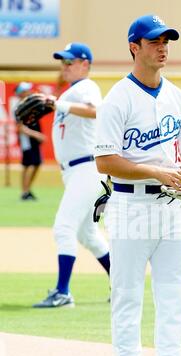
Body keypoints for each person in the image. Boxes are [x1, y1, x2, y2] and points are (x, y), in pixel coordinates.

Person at [94, 15, 181, 356]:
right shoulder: (117, 99)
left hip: (172, 208)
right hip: (130, 203)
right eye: (154, 41)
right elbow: (105, 161)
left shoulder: (179, 98)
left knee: (174, 294)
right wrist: (157, 171)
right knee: (127, 294)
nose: (163, 47)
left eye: (167, 40)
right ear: (134, 47)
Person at [33, 43, 110, 308]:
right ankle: (122, 284)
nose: (65, 67)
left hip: (86, 168)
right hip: (76, 171)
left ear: (85, 64)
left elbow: (96, 110)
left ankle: (63, 292)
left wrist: (58, 103)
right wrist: (59, 103)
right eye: (63, 63)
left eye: (70, 62)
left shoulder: (85, 87)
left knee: (63, 227)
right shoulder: (70, 93)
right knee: (87, 234)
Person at [14, 82, 45, 201]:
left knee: (36, 164)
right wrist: (36, 135)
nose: (29, 92)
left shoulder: (30, 105)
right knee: (29, 165)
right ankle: (24, 192)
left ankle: (27, 190)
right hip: (27, 140)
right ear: (20, 93)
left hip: (33, 140)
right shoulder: (19, 107)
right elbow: (20, 128)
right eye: (26, 90)